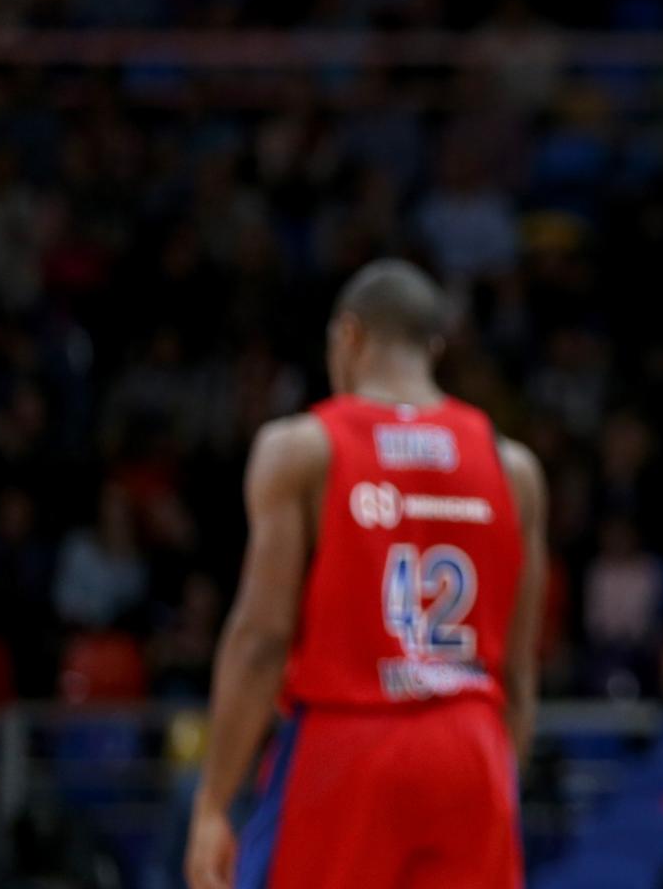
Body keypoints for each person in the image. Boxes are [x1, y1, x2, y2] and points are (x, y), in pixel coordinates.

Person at [183, 260, 547, 889]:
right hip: (470, 739)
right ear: (434, 346)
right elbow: (518, 667)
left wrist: (214, 802)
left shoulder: (301, 448)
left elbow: (261, 638)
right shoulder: (513, 467)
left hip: (349, 736)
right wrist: (494, 782)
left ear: (347, 337)